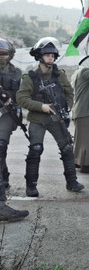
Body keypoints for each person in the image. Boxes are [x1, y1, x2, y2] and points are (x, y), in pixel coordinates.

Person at [17, 37, 85, 196]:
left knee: (67, 147)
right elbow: (21, 99)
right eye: (48, 55)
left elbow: (69, 91)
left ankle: (72, 181)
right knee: (36, 149)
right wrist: (42, 106)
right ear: (40, 56)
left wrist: (66, 106)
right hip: (37, 119)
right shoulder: (30, 77)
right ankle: (31, 185)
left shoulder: (59, 75)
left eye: (53, 56)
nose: (51, 58)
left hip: (56, 118)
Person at [0, 38, 29, 221]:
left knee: (1, 148)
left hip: (6, 114)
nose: (1, 57)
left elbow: (22, 95)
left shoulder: (17, 73)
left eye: (4, 53)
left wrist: (15, 106)